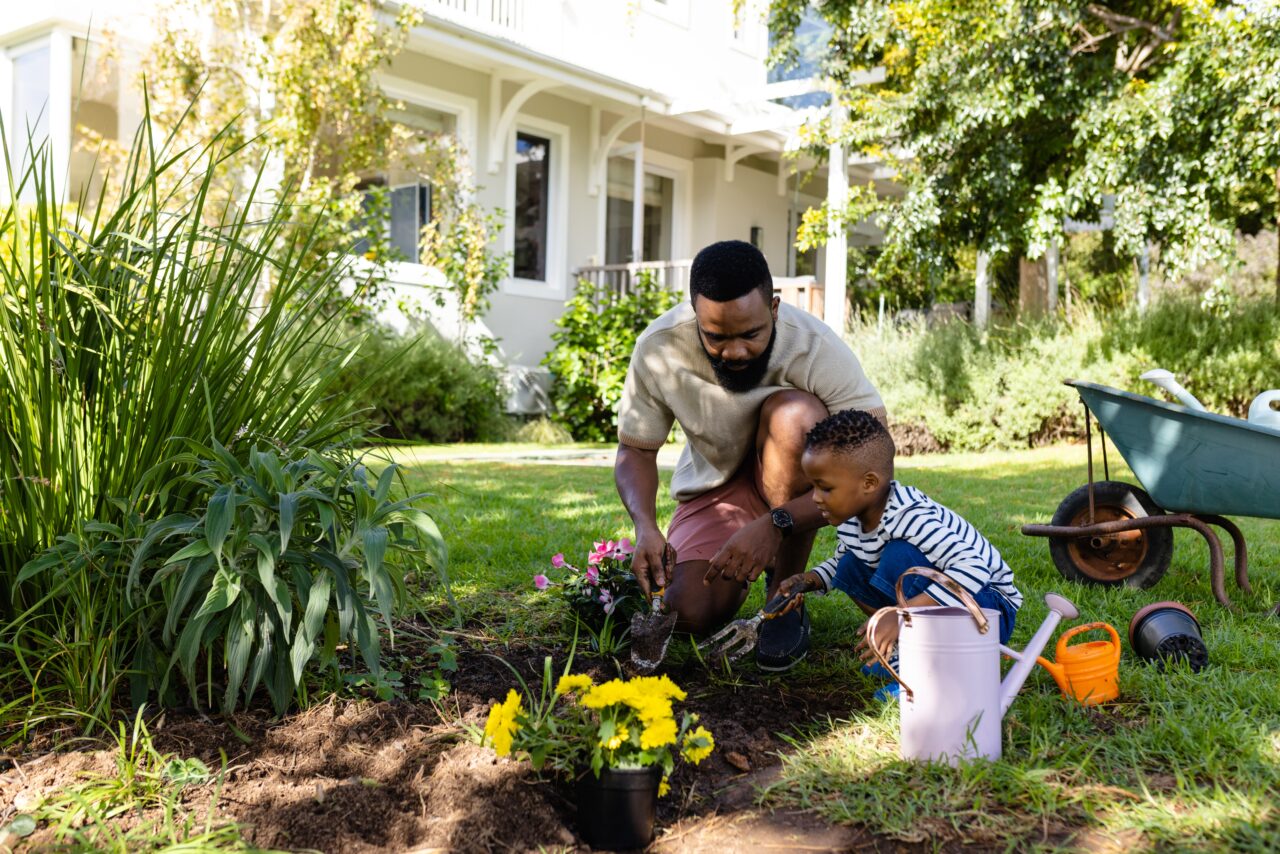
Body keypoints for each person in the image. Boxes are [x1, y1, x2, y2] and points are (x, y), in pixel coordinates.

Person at [614, 240, 885, 671]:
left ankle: (784, 596)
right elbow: (635, 450)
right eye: (716, 337)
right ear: (694, 314)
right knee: (689, 612)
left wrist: (778, 523)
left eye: (751, 334)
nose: (735, 351)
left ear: (774, 309)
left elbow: (872, 456)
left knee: (797, 415)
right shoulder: (660, 347)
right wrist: (645, 526)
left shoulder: (813, 345)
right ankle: (733, 568)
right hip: (715, 487)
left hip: (792, 468)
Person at [776, 409, 1023, 689]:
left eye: (826, 488)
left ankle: (940, 664)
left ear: (869, 483)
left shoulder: (909, 516)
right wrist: (808, 580)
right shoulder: (851, 520)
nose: (816, 499)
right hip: (947, 607)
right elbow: (844, 560)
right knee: (848, 565)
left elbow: (973, 568)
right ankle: (913, 648)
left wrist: (902, 614)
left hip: (988, 609)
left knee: (898, 554)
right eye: (813, 488)